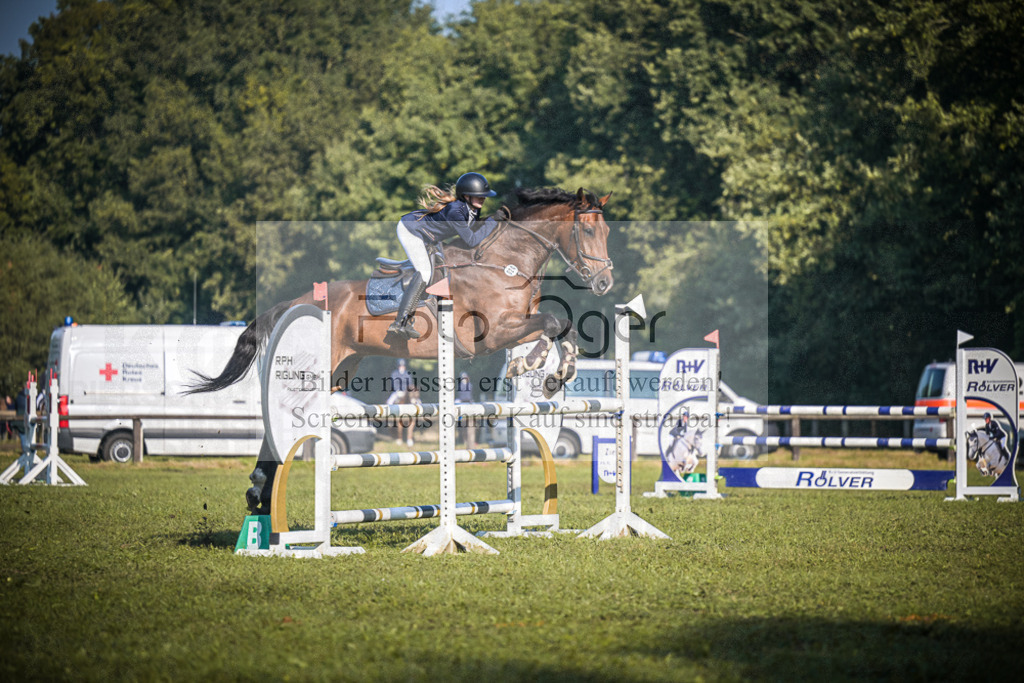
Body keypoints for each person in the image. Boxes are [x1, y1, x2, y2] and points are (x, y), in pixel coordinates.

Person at [388, 172, 498, 340]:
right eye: (480, 196)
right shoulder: (456, 212)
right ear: (467, 196)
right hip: (411, 230)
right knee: (425, 273)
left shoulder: (472, 209)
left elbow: (473, 231)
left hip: (428, 236)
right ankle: (400, 322)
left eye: (484, 196)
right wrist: (492, 221)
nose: (483, 199)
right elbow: (472, 240)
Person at [455, 371, 477, 449]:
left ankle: (468, 442)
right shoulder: (465, 385)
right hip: (464, 404)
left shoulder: (467, 385)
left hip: (466, 403)